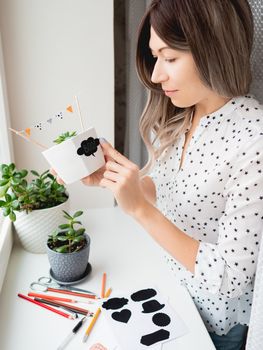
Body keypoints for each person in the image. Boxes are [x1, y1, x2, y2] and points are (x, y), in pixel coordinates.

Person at [55, 1, 263, 349]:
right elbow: (169, 191)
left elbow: (231, 280)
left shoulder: (253, 141)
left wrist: (140, 209)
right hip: (167, 286)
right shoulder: (183, 114)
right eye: (155, 57)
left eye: (169, 58)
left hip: (210, 326)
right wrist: (121, 180)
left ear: (213, 48)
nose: (155, 75)